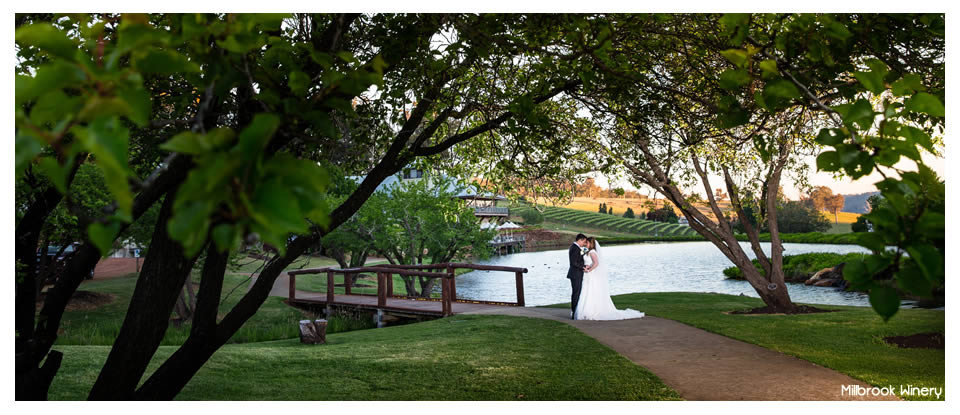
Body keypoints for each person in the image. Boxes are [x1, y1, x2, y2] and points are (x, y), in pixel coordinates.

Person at [574, 237, 645, 321]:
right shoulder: (586, 250)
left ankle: (591, 311)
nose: (586, 244)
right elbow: (579, 255)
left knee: (591, 291)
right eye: (585, 243)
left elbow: (596, 263)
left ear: (591, 243)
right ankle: (584, 311)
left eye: (587, 243)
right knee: (586, 291)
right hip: (586, 275)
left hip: (590, 274)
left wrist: (589, 270)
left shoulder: (592, 252)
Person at [566, 234, 589, 320]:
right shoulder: (574, 248)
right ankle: (574, 312)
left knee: (577, 292)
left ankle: (575, 311)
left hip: (576, 273)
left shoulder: (576, 248)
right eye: (584, 241)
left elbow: (578, 259)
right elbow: (573, 262)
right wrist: (583, 267)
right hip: (575, 274)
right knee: (576, 293)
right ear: (580, 240)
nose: (584, 243)